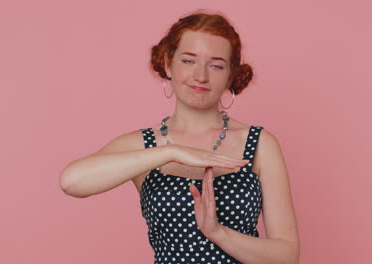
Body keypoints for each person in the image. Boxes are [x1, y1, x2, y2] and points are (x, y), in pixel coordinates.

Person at [60, 10, 300, 264]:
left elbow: (287, 256)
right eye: (188, 60)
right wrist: (171, 152)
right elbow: (72, 182)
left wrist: (218, 233)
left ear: (230, 75)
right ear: (167, 63)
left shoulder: (260, 144)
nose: (201, 75)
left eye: (216, 65)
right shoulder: (143, 145)